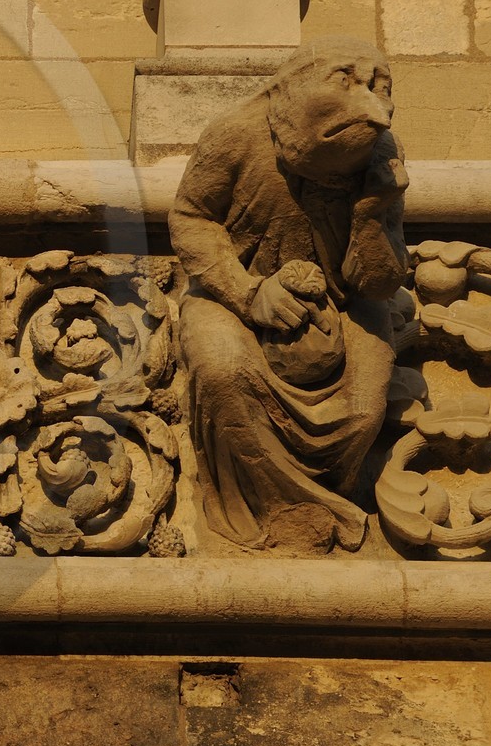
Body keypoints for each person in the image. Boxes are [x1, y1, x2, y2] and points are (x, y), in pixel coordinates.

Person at [169, 36, 408, 551]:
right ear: (294, 90)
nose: (376, 108)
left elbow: (379, 283)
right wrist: (248, 293)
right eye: (347, 82)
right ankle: (268, 516)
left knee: (365, 409)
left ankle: (321, 501)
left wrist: (371, 214)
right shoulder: (236, 135)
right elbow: (190, 217)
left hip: (344, 302)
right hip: (229, 291)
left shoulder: (382, 157)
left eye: (380, 88)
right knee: (221, 372)